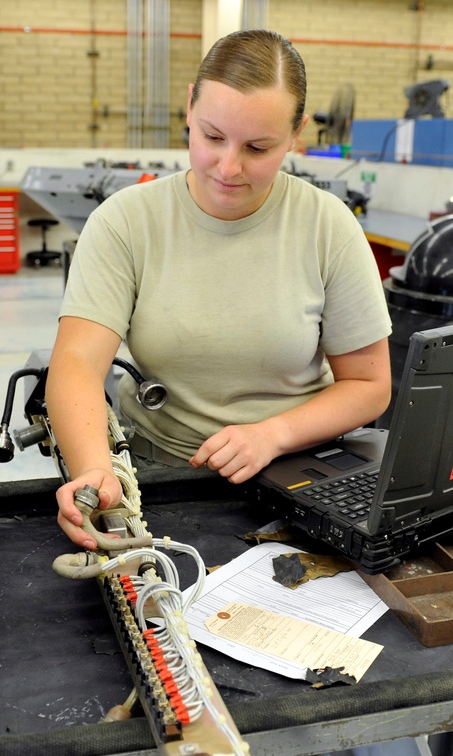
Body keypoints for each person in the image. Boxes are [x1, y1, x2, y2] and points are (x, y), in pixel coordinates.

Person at [46, 29, 392, 548]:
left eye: (258, 147)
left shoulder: (327, 226)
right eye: (212, 137)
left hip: (306, 474)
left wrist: (271, 435)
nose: (229, 167)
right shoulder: (124, 223)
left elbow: (369, 385)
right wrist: (97, 470)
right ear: (189, 106)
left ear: (297, 133)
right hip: (162, 475)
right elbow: (76, 362)